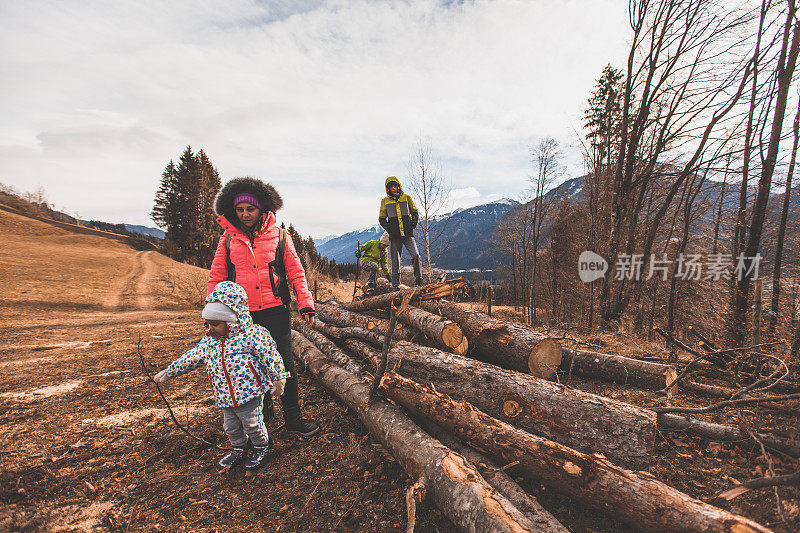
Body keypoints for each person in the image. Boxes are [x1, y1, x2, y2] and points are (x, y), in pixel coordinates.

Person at [208, 177, 319, 437]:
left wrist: (305, 303)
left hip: (276, 310)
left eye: (251, 209)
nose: (245, 214)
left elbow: (296, 273)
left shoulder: (280, 236)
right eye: (240, 209)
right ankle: (262, 419)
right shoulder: (227, 240)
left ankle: (293, 418)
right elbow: (216, 277)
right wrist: (213, 315)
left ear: (262, 210)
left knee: (285, 364)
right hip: (242, 317)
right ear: (233, 211)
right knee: (252, 366)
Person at [153, 281, 288, 470]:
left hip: (249, 393)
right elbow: (192, 356)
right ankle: (239, 449)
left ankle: (261, 447)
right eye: (208, 323)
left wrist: (279, 377)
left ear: (232, 320)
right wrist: (170, 371)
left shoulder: (252, 335)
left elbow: (271, 355)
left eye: (215, 324)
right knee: (230, 427)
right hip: (224, 395)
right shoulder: (210, 341)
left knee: (252, 424)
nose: (210, 328)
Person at [378, 176, 423, 288]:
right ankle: (396, 285)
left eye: (395, 186)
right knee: (395, 262)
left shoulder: (407, 198)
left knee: (416, 255)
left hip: (408, 234)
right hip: (394, 236)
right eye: (390, 187)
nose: (393, 188)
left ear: (398, 186)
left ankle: (419, 279)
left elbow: (415, 212)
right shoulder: (384, 201)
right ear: (387, 189)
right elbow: (382, 218)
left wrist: (413, 224)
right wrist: (389, 229)